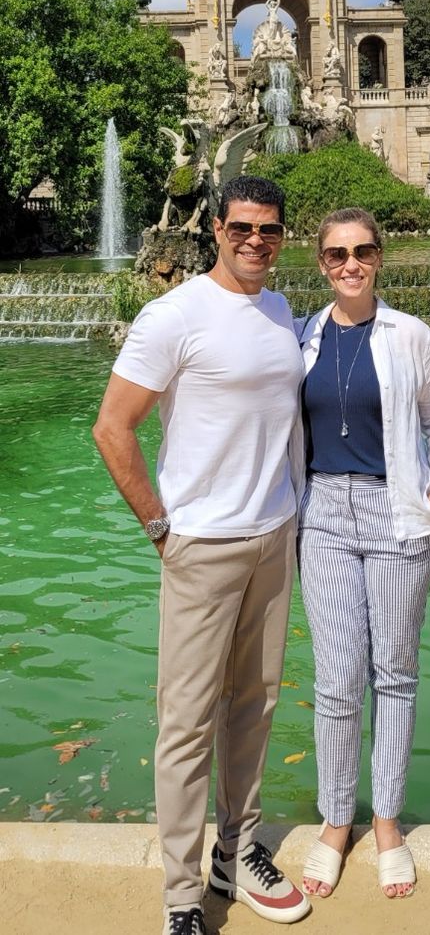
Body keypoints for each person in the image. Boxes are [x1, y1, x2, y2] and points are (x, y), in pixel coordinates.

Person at [93, 175, 310, 935]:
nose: (257, 240)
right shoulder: (173, 314)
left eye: (271, 230)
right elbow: (112, 429)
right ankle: (182, 897)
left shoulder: (282, 312)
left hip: (273, 536)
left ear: (283, 237)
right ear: (216, 228)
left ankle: (238, 849)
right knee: (185, 726)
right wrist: (161, 529)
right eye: (243, 227)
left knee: (254, 708)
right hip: (201, 546)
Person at [297, 207, 430, 902]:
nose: (350, 264)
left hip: (398, 513)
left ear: (380, 258)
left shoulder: (409, 334)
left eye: (362, 251)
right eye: (337, 254)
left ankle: (387, 821)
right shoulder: (301, 335)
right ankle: (337, 821)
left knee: (393, 674)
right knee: (336, 683)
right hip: (323, 514)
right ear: (322, 263)